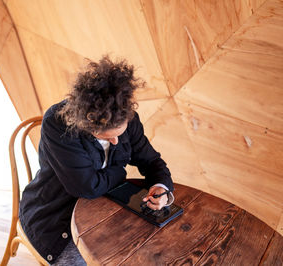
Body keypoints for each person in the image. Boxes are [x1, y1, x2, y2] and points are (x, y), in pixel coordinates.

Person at [19, 55, 174, 265]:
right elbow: (86, 186)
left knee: (154, 251)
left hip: (105, 210)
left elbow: (152, 162)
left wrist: (161, 188)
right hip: (55, 217)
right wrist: (120, 173)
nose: (116, 140)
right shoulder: (58, 124)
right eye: (107, 136)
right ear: (89, 124)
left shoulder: (127, 117)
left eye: (121, 131)